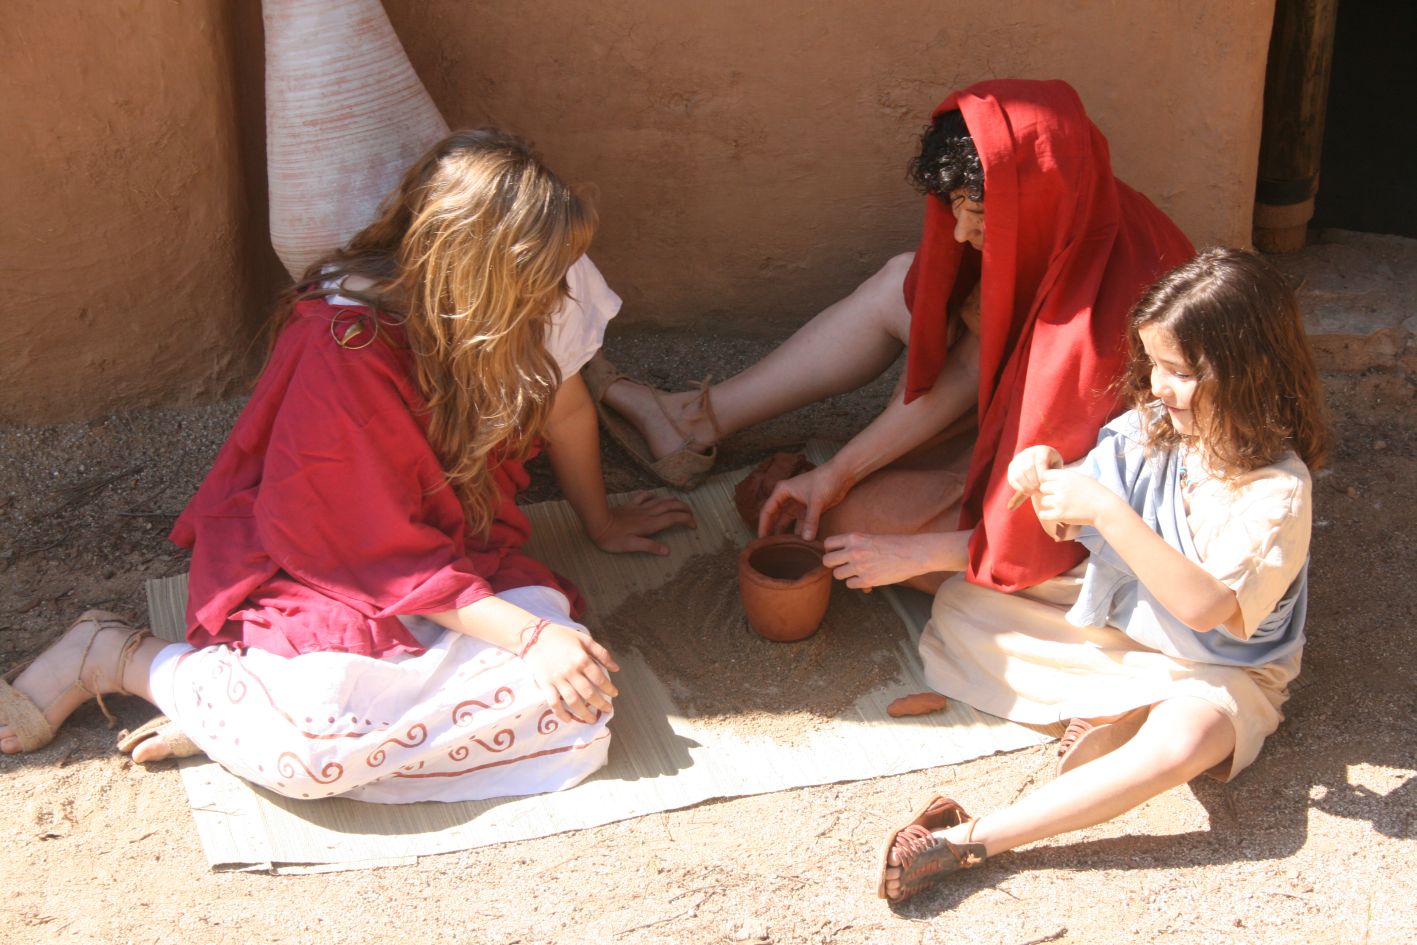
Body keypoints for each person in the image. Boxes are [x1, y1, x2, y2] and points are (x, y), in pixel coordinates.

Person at [0, 129, 693, 804]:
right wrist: (533, 634)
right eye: (537, 284)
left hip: (456, 557)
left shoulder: (522, 283)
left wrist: (598, 522)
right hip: (330, 570)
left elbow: (564, 406)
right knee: (313, 755)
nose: (553, 297)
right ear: (471, 279)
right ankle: (120, 656)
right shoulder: (344, 347)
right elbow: (367, 552)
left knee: (571, 717)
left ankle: (231, 712)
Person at [592, 78, 1195, 597]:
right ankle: (697, 420)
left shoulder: (1119, 305)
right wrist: (842, 471)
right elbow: (967, 369)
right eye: (955, 208)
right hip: (1011, 407)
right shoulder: (1051, 215)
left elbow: (1051, 490)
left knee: (845, 533)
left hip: (1068, 472)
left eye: (980, 216)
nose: (960, 234)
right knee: (894, 286)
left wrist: (897, 513)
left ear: (1034, 201)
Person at [870, 248, 1327, 903]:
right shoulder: (1158, 426)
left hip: (1226, 667)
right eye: (1156, 366)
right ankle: (1117, 707)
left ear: (1244, 370)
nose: (1159, 386)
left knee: (1185, 741)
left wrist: (1107, 512)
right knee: (963, 609)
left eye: (1178, 372)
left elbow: (1205, 608)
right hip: (1134, 627)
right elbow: (1081, 512)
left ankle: (968, 838)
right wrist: (1049, 476)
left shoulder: (1276, 492)